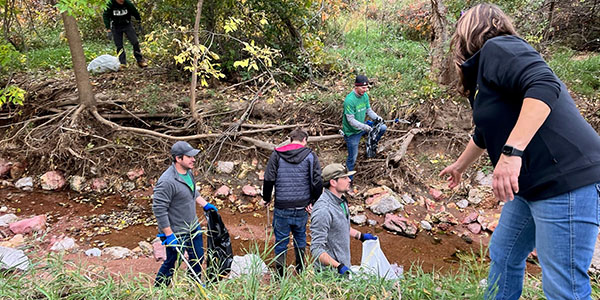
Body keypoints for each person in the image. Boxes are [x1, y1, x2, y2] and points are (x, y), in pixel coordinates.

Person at [440, 3, 600, 299]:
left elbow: (544, 84)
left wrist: (511, 154)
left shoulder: (500, 47)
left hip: (564, 178)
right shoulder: (484, 76)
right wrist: (460, 166)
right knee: (504, 253)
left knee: (563, 284)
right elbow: (484, 133)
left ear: (472, 29)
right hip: (529, 186)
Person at [152, 141, 218, 287]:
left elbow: (192, 191)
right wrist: (169, 235)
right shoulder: (166, 182)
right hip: (176, 231)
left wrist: (205, 204)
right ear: (178, 158)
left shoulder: (188, 172)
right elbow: (159, 209)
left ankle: (193, 285)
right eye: (189, 156)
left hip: (193, 227)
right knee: (171, 262)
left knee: (199, 257)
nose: (193, 159)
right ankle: (158, 289)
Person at [261, 128, 323, 277]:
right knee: (300, 237)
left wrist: (266, 198)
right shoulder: (310, 155)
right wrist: (313, 201)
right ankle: (300, 270)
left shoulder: (277, 154)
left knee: (281, 241)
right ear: (304, 140)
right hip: (302, 206)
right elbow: (317, 181)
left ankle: (280, 276)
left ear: (290, 140)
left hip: (282, 205)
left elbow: (269, 179)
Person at [310, 163, 378, 275]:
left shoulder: (341, 201)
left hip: (344, 267)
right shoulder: (323, 210)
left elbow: (341, 226)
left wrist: (360, 236)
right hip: (330, 275)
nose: (349, 180)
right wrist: (339, 266)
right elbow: (316, 249)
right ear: (333, 182)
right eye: (345, 178)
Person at [342, 75, 387, 178]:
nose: (365, 90)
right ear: (356, 86)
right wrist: (365, 127)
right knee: (352, 158)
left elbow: (368, 110)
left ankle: (371, 145)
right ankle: (349, 181)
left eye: (366, 87)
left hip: (362, 126)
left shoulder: (365, 96)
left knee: (382, 127)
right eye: (363, 88)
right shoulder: (349, 100)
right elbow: (350, 120)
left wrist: (377, 118)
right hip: (352, 132)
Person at [103, 0, 148, 68]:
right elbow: (105, 16)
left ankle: (140, 60)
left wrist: (139, 21)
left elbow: (135, 12)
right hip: (116, 26)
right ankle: (122, 63)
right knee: (119, 45)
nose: (122, 1)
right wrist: (108, 29)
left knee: (135, 42)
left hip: (127, 25)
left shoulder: (128, 3)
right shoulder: (110, 4)